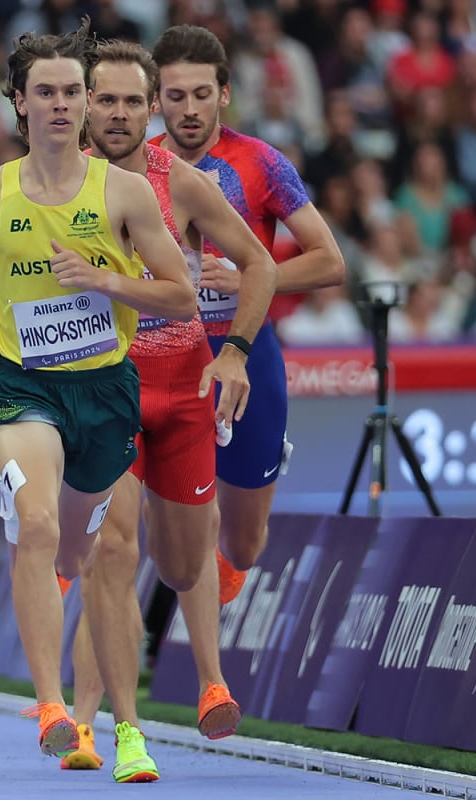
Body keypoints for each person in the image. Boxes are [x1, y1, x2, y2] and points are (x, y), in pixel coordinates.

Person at [0, 19, 196, 783]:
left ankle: (126, 729)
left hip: (105, 390)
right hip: (24, 386)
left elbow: (180, 295)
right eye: (44, 91)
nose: (60, 104)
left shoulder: (122, 192)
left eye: (71, 92)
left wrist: (107, 280)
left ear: (87, 103)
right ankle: (55, 707)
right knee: (38, 524)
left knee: (94, 556)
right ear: (19, 102)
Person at [60, 40, 278, 771]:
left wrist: (237, 351)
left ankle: (205, 677)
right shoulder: (54, 182)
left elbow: (260, 265)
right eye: (105, 99)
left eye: (131, 101)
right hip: (102, 389)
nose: (117, 113)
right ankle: (113, 728)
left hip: (182, 390)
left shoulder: (181, 183)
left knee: (185, 567)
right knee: (112, 552)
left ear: (148, 108)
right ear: (84, 103)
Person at [148, 23, 344, 595]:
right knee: (168, 527)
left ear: (225, 93)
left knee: (243, 544)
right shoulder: (131, 166)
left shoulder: (260, 162)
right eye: (175, 96)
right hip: (162, 355)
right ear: (157, 97)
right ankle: (174, 633)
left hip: (244, 354)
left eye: (201, 95)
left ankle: (212, 595)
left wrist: (251, 281)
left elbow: (329, 260)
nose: (188, 109)